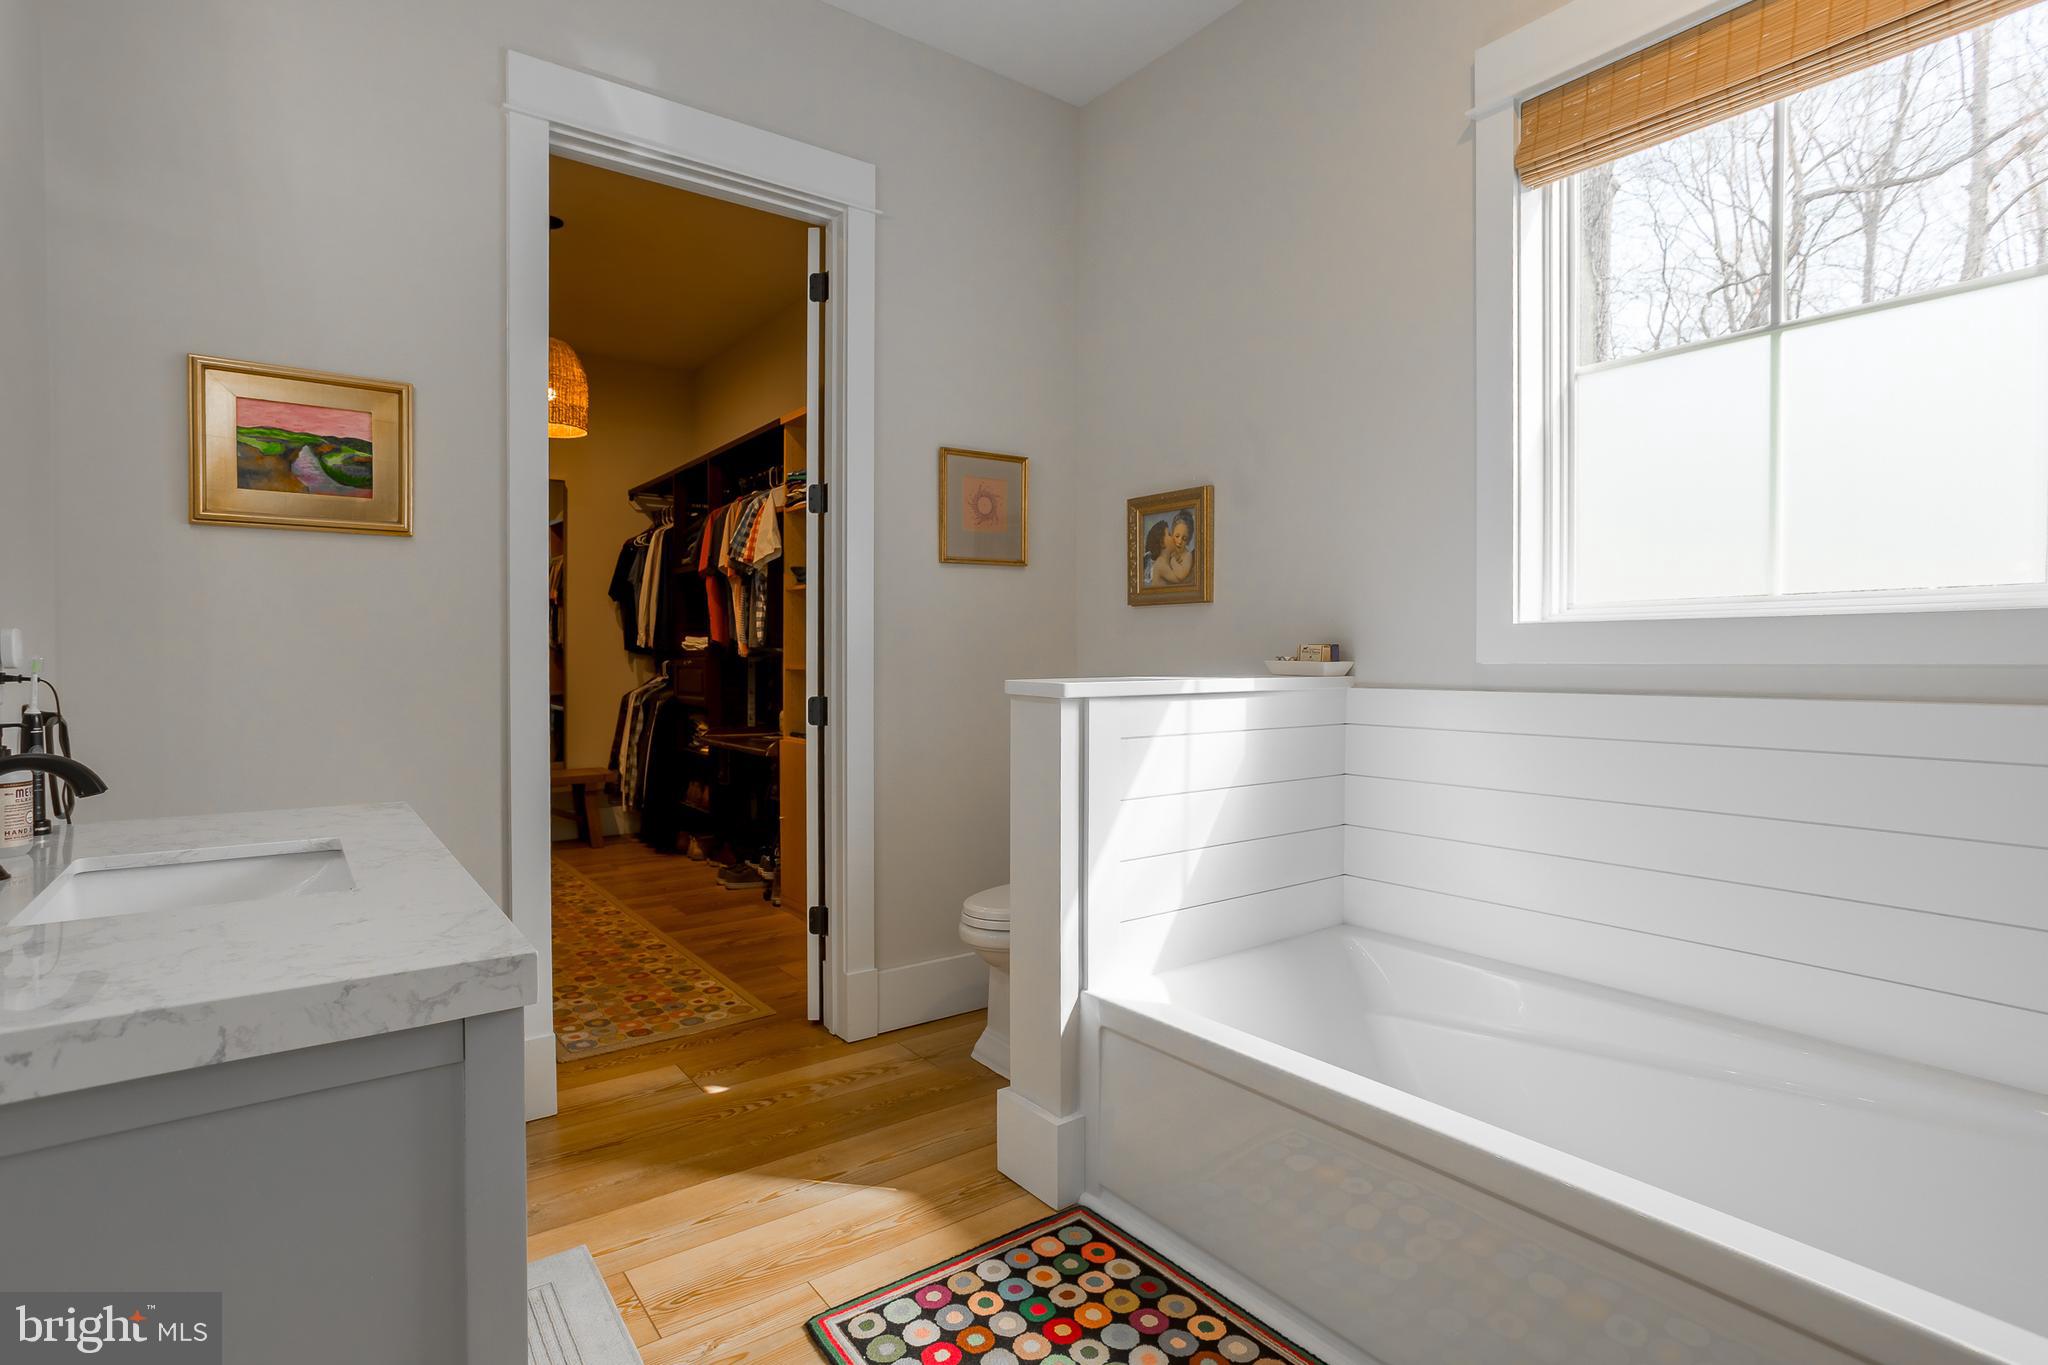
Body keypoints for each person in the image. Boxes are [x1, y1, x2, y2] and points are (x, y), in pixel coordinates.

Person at [1150, 510, 1196, 586]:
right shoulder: (1164, 558)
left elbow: (1181, 576)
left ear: (1188, 540)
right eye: (1177, 536)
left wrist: (1173, 560)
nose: (1179, 541)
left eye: (1184, 538)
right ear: (1172, 535)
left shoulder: (1187, 555)